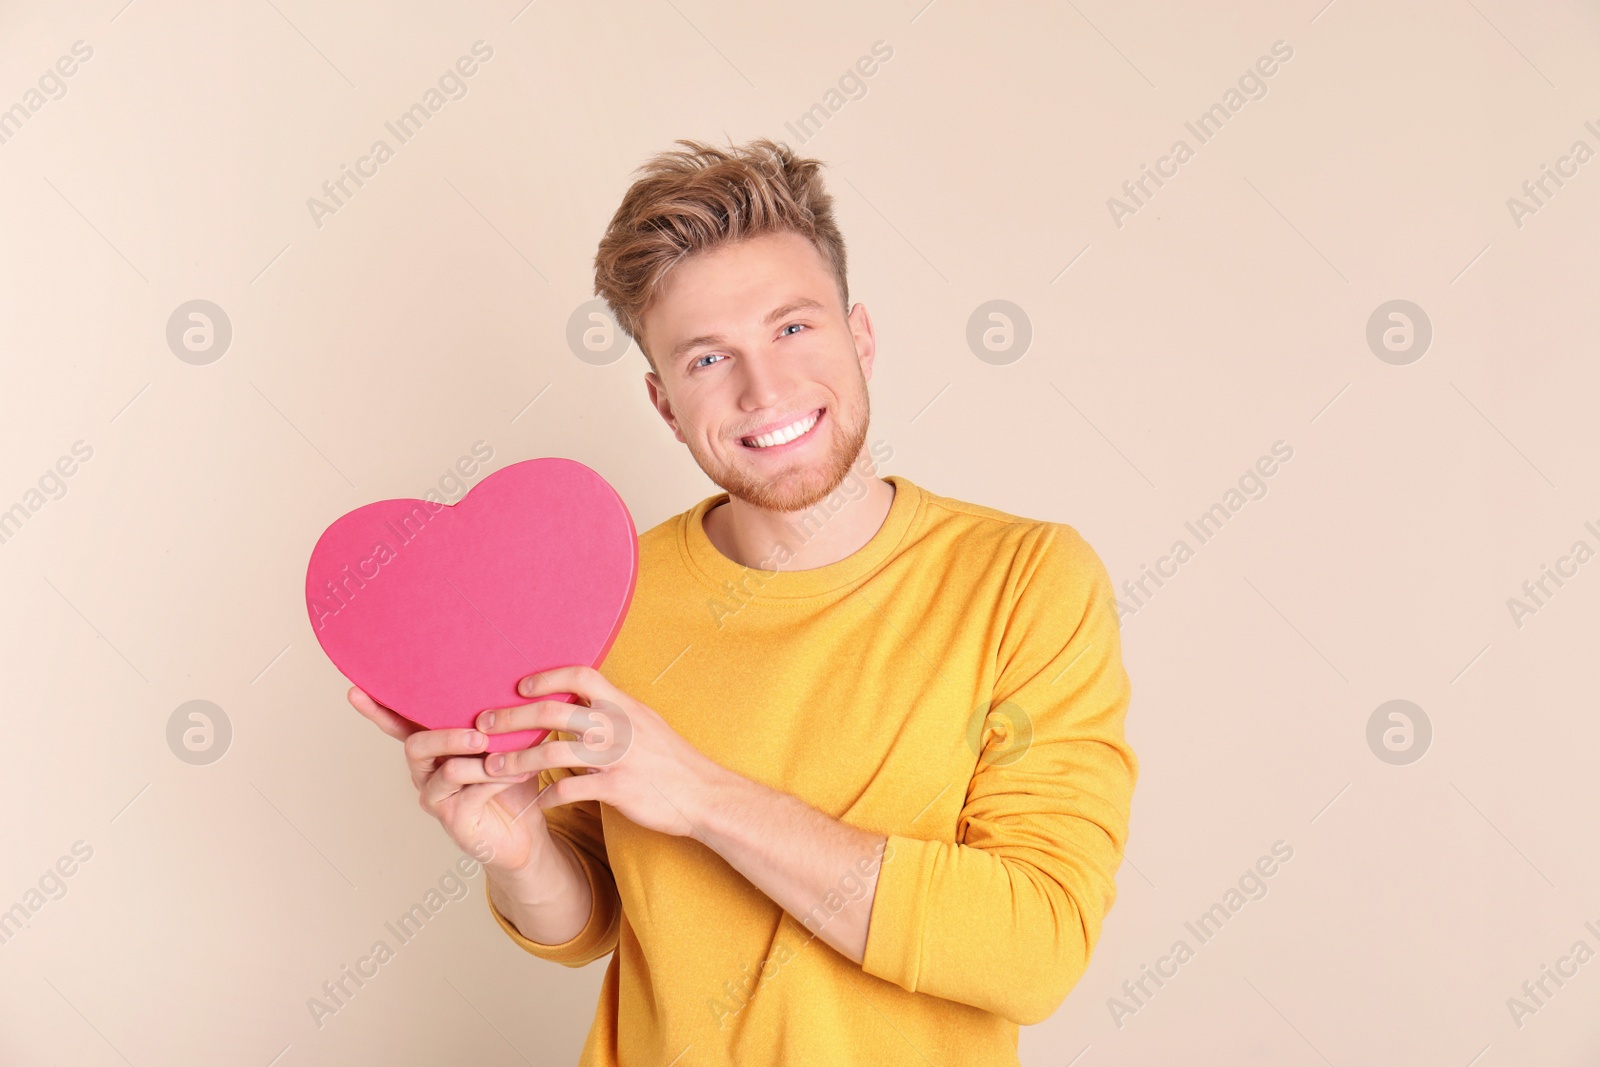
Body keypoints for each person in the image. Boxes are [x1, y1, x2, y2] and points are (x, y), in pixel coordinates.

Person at [348, 138, 1138, 1065]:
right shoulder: (603, 594)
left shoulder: (1025, 580)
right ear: (663, 403)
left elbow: (1033, 947)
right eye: (707, 358)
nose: (764, 389)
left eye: (794, 329)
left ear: (862, 338)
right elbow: (590, 916)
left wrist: (703, 796)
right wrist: (519, 849)